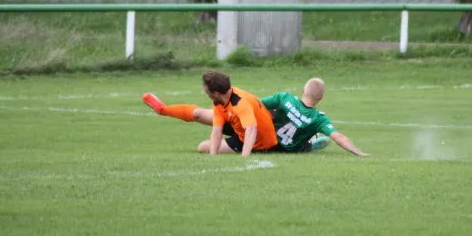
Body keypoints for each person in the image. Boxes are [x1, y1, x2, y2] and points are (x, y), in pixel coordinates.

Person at [143, 71, 278, 156]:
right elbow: (217, 130)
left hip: (259, 141)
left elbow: (251, 129)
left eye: (206, 91)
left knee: (202, 147)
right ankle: (163, 110)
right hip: (238, 125)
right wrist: (213, 155)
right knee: (198, 114)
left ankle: (246, 148)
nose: (205, 93)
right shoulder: (220, 100)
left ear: (215, 93)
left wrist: (245, 156)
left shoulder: (239, 103)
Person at [261, 78, 370, 156]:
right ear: (321, 97)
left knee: (272, 111)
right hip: (290, 150)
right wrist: (360, 153)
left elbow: (257, 104)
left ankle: (311, 141)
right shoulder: (319, 118)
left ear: (303, 90)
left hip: (269, 143)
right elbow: (339, 138)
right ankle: (310, 144)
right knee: (308, 132)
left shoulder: (284, 97)